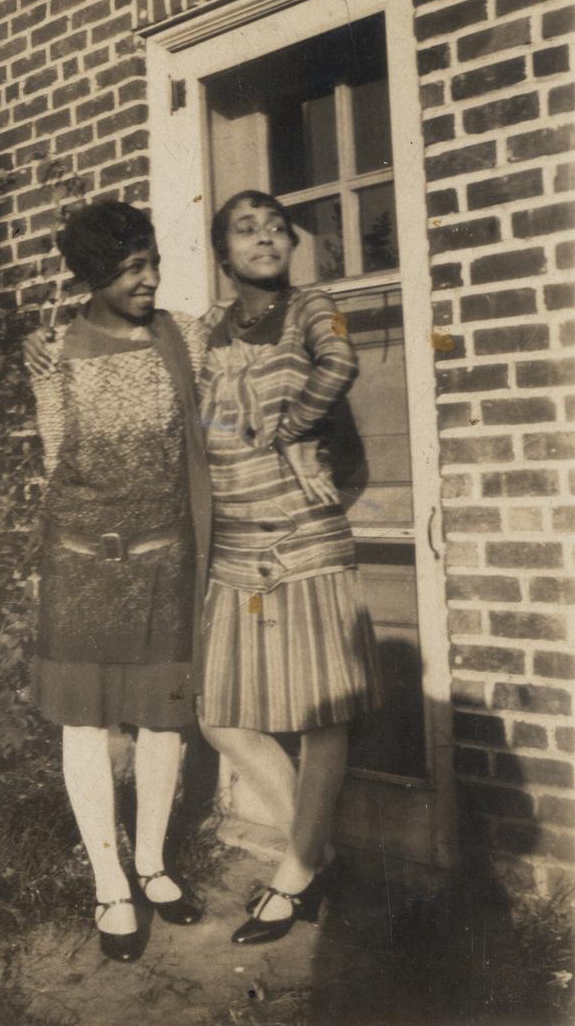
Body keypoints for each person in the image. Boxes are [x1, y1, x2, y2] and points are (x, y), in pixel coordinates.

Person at [25, 200, 210, 961]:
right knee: (86, 722)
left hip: (165, 555)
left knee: (164, 716)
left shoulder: (186, 336)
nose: (150, 278)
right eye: (131, 267)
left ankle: (153, 862)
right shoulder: (54, 352)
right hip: (82, 560)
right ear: (93, 275)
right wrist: (38, 347)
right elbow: (53, 455)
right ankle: (109, 883)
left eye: (153, 262)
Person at [197, 190, 382, 945]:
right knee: (219, 716)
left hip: (305, 537)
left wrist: (294, 429)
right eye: (246, 228)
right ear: (222, 251)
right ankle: (318, 851)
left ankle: (294, 873)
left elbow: (340, 360)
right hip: (237, 545)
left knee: (319, 714)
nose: (266, 237)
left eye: (276, 227)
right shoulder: (205, 329)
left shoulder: (312, 305)